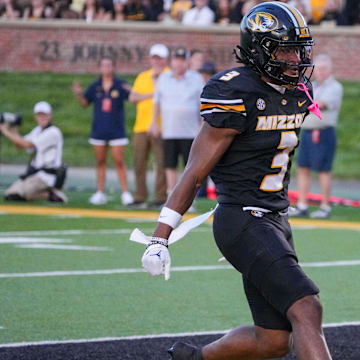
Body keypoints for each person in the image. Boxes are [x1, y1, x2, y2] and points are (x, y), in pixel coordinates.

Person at [141, 2, 332, 359]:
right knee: (307, 307)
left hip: (276, 219)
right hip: (242, 219)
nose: (296, 58)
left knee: (274, 340)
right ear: (259, 49)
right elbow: (195, 170)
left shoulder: (293, 91)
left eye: (299, 48)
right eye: (285, 49)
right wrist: (159, 237)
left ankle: (193, 357)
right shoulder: (235, 92)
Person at [72, 56, 134, 206]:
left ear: (113, 67)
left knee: (119, 161)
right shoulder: (95, 86)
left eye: (109, 65)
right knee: (100, 162)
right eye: (103, 65)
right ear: (100, 68)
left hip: (117, 130)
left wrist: (133, 90)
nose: (106, 68)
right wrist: (79, 93)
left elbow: (133, 98)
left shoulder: (120, 85)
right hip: (99, 130)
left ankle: (126, 193)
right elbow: (85, 103)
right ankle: (99, 192)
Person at [289, 54, 343, 219]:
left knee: (323, 170)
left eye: (323, 68)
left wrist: (302, 103)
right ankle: (302, 204)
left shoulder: (335, 87)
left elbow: (320, 105)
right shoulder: (312, 86)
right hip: (307, 132)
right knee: (303, 168)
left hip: (323, 133)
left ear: (329, 69)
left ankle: (325, 207)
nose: (320, 71)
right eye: (317, 68)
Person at [148, 47, 205, 197]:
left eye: (182, 61)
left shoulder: (196, 78)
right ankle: (171, 196)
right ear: (172, 62)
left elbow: (203, 104)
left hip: (190, 131)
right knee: (170, 165)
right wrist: (154, 122)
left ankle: (187, 198)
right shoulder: (164, 78)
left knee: (189, 167)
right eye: (176, 60)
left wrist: (202, 125)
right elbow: (157, 102)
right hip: (170, 130)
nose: (179, 64)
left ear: (187, 62)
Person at [0, 101, 67, 203]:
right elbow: (20, 145)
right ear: (35, 116)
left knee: (18, 196)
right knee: (10, 194)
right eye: (39, 114)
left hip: (47, 176)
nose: (42, 117)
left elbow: (28, 145)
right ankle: (48, 193)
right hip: (35, 174)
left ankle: (51, 194)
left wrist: (5, 131)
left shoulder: (53, 132)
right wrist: (13, 128)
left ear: (50, 115)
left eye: (44, 114)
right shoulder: (38, 130)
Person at [128, 44, 169, 209]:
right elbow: (132, 97)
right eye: (154, 57)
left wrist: (148, 94)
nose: (157, 61)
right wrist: (152, 94)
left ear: (165, 60)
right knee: (139, 162)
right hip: (141, 126)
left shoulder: (169, 75)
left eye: (159, 58)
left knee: (161, 163)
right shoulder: (143, 76)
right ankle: (140, 195)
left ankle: (160, 196)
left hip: (162, 126)